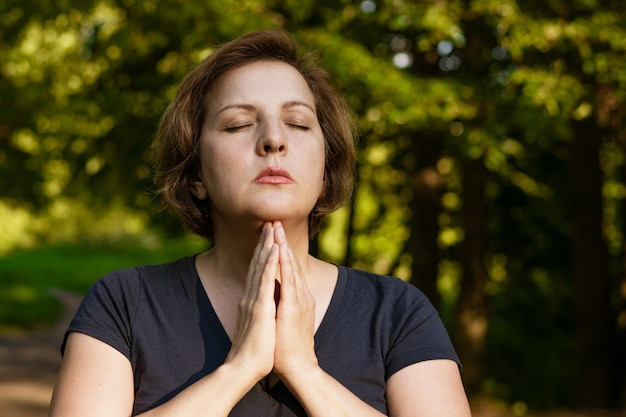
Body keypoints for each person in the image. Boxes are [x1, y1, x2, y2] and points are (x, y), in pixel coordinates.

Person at [49, 29, 472, 417]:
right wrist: (239, 369)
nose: (274, 139)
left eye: (298, 122)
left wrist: (304, 371)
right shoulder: (125, 303)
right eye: (238, 124)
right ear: (195, 173)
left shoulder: (398, 312)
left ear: (325, 173)